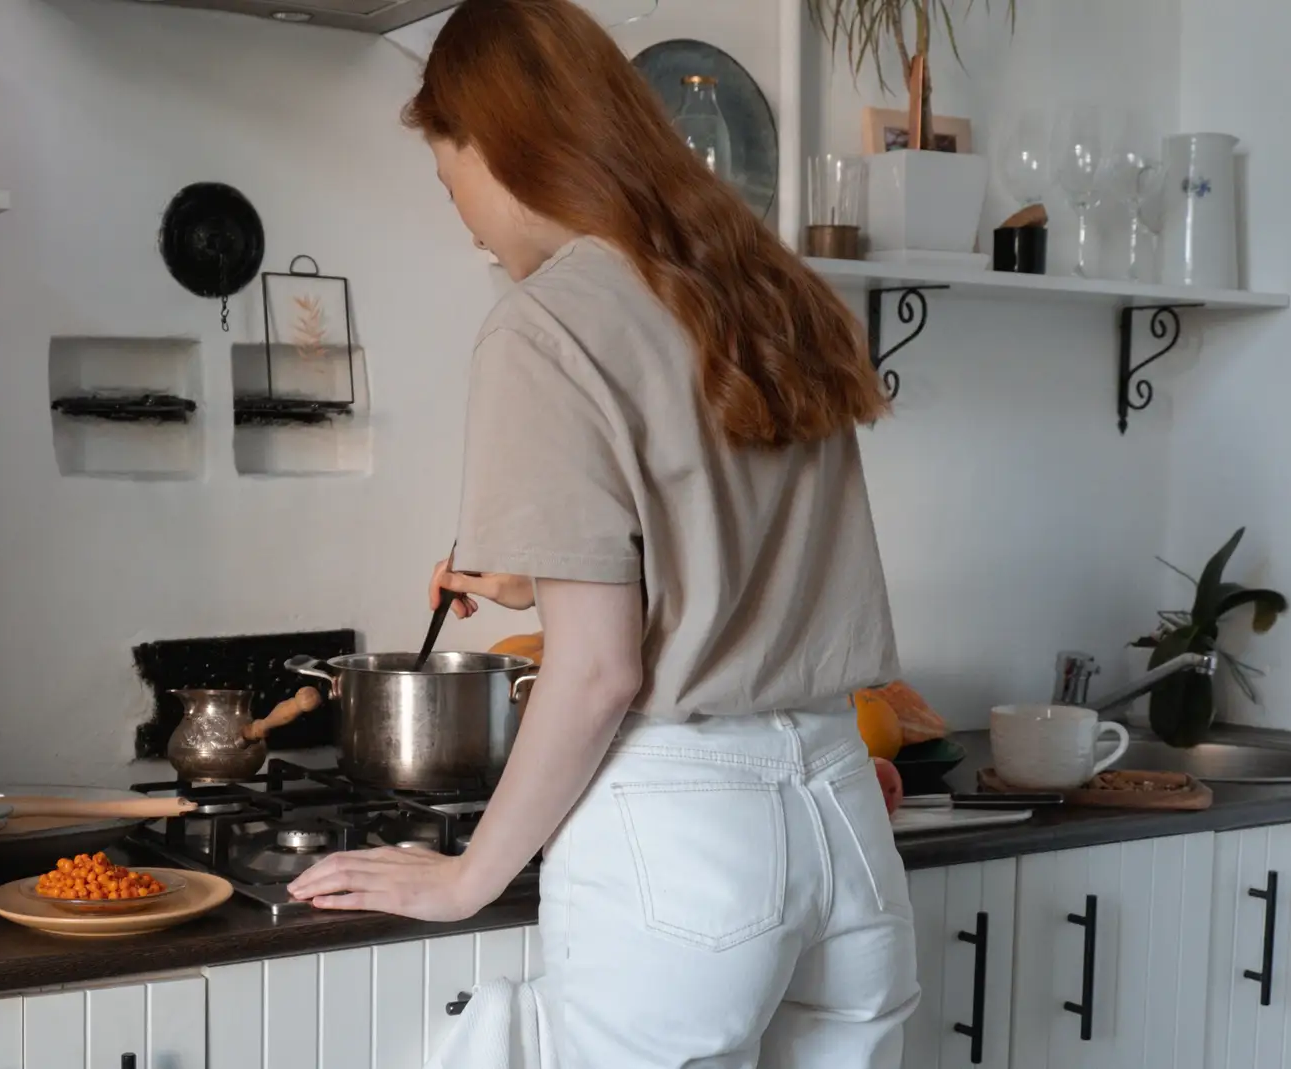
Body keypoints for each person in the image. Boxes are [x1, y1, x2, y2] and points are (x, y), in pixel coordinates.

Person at [286, 0, 920, 1064]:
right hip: (841, 813)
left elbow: (596, 674)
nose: (464, 221)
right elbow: (727, 541)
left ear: (491, 142)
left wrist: (465, 876)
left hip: (683, 839)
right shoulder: (767, 291)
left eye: (450, 181)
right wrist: (538, 584)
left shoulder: (546, 324)